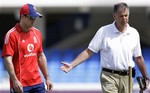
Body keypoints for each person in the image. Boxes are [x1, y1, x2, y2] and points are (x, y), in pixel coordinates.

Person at [61, 2, 149, 93]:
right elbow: (89, 51)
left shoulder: (134, 33)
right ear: (114, 16)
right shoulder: (103, 31)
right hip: (109, 76)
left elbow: (138, 58)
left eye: (126, 15)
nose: (124, 18)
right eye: (121, 16)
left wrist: (146, 77)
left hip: (128, 77)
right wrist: (72, 65)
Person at [2, 3, 53, 93]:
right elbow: (7, 59)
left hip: (37, 83)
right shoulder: (11, 35)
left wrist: (47, 77)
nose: (33, 20)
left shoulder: (37, 33)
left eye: (35, 18)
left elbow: (41, 56)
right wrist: (14, 80)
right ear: (23, 16)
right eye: (31, 17)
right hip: (20, 85)